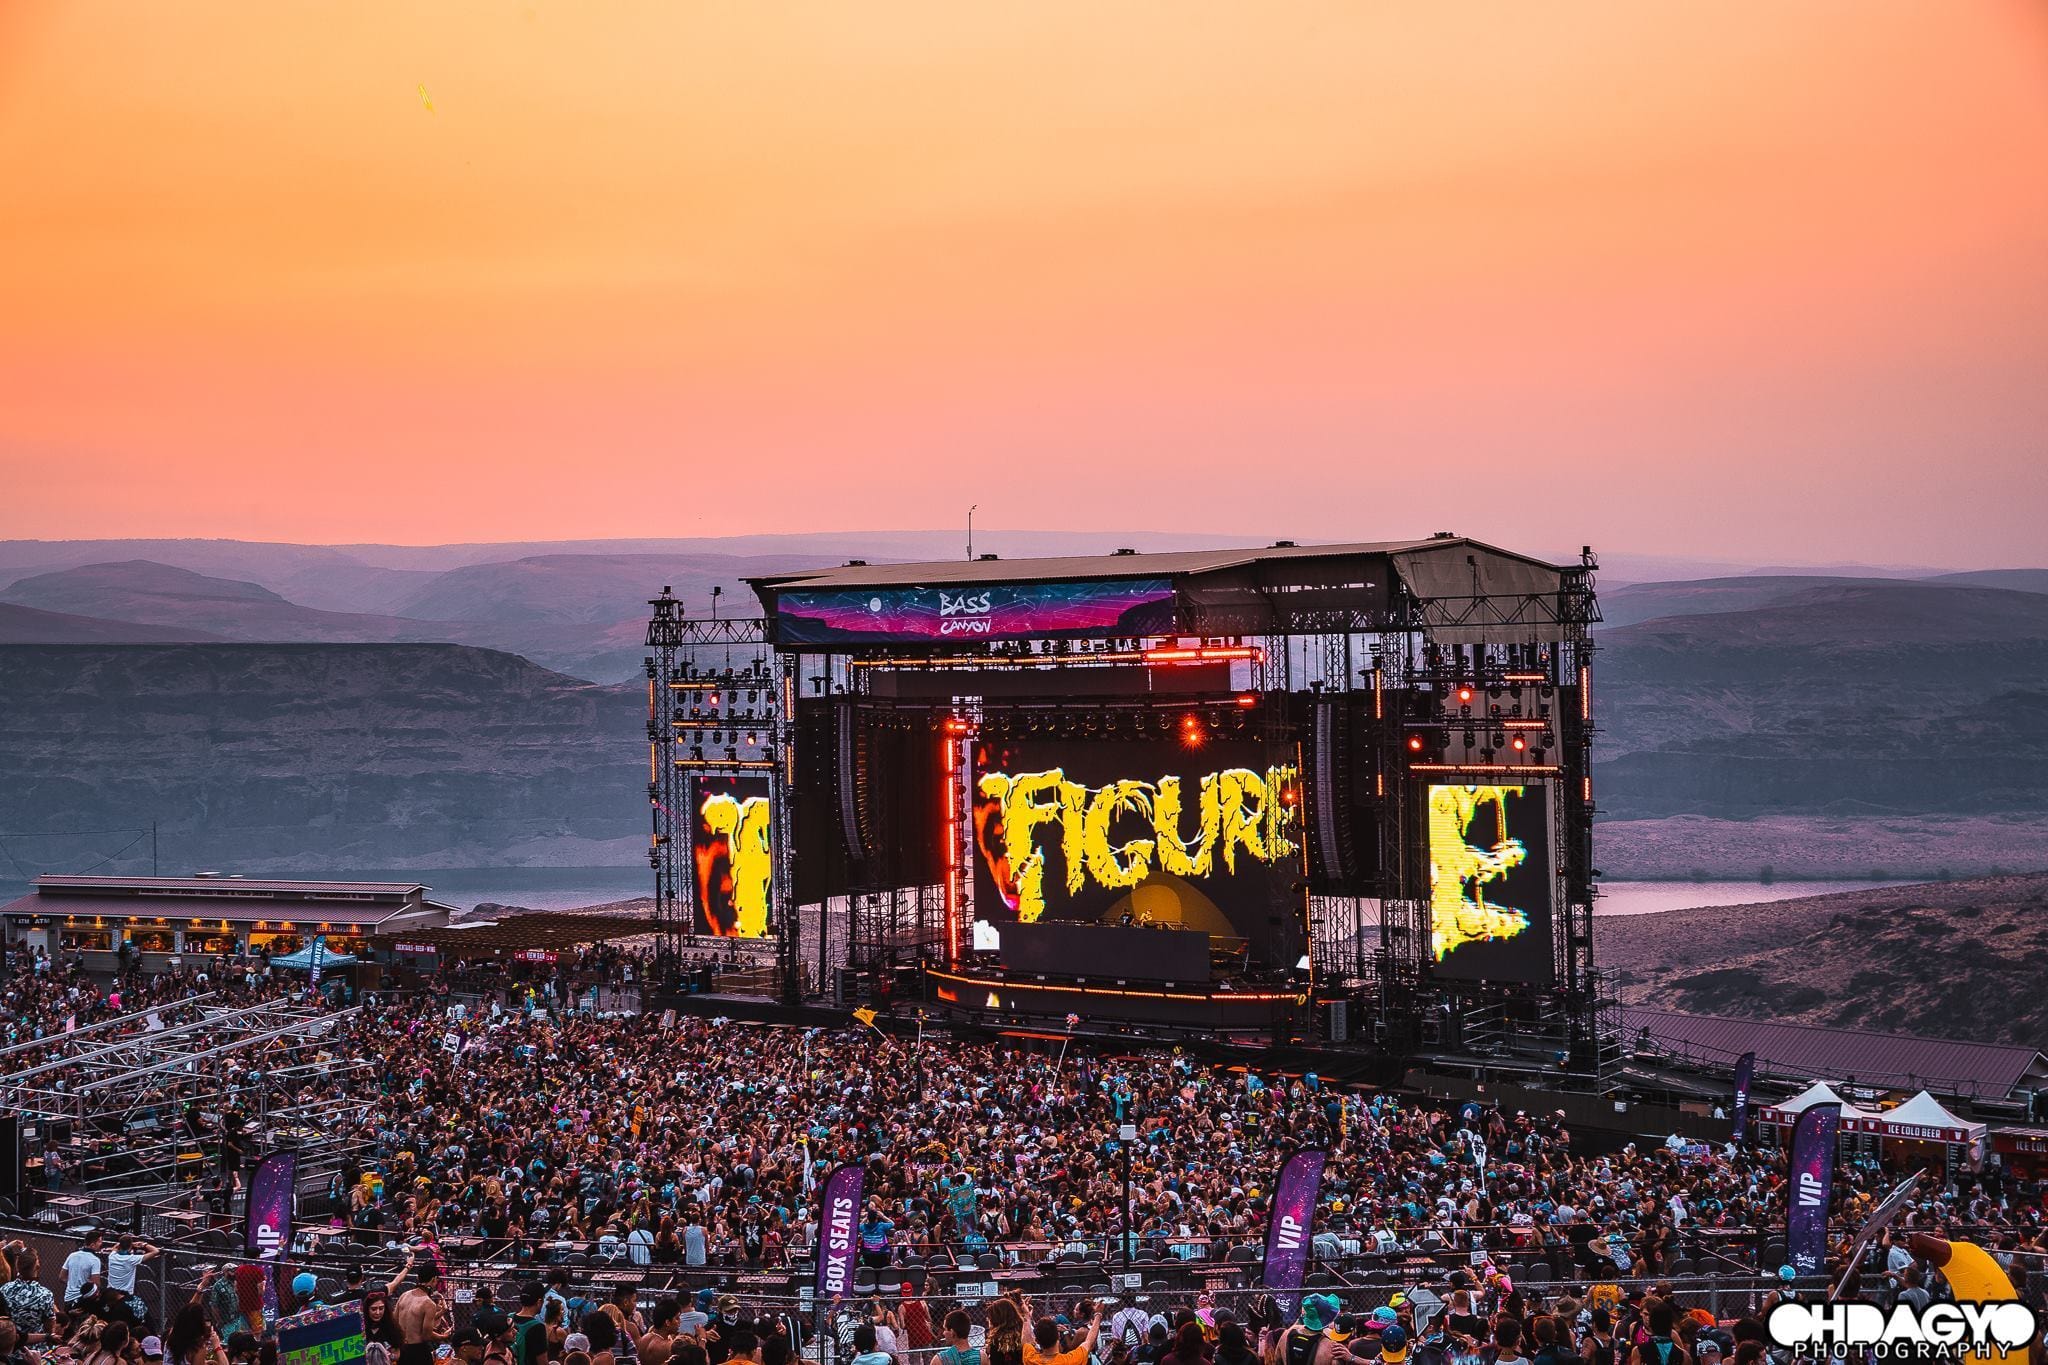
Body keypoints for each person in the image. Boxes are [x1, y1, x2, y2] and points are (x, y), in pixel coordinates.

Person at [393, 1263, 452, 1365]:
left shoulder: (404, 1295)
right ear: (434, 1279)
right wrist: (443, 1336)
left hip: (402, 1348)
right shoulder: (428, 1303)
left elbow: (394, 1322)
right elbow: (426, 1335)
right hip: (417, 1351)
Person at [64, 1229, 107, 1306]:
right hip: (84, 1300)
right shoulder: (95, 1260)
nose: (101, 1243)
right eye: (99, 1241)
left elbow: (62, 1277)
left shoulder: (72, 1255)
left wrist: (73, 1283)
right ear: (93, 1245)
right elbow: (96, 1283)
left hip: (68, 1299)